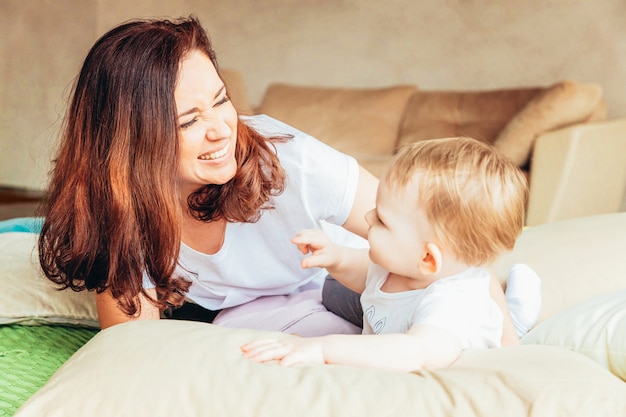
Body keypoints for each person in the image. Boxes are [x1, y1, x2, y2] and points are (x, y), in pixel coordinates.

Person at [37, 16, 521, 342]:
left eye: (222, 100)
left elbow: (445, 244)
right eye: (188, 121)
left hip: (334, 283)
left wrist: (511, 352)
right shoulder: (117, 214)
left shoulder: (289, 161)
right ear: (129, 141)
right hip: (236, 319)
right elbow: (132, 353)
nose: (221, 128)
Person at [241, 138, 541, 371]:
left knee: (499, 327)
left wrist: (323, 349)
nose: (368, 217)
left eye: (382, 219)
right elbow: (363, 272)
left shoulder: (453, 307)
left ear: (427, 259)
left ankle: (514, 317)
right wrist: (335, 257)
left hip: (457, 358)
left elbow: (416, 353)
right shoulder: (400, 267)